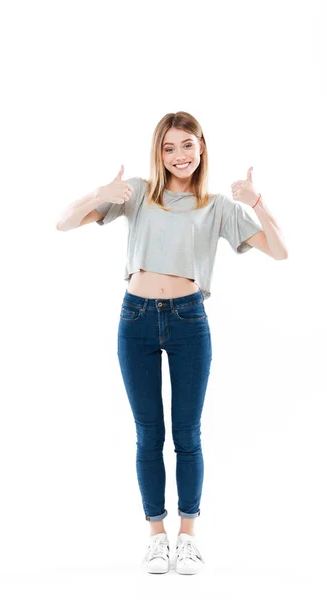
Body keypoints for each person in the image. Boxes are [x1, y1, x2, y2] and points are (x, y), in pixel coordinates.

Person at [56, 111, 288, 575]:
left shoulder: (219, 205)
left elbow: (280, 250)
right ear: (158, 153)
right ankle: (156, 537)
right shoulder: (140, 193)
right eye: (169, 147)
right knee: (148, 434)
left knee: (187, 433)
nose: (179, 155)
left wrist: (257, 200)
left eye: (187, 145)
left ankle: (188, 537)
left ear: (201, 148)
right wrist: (99, 195)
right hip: (136, 318)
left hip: (188, 321)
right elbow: (63, 223)